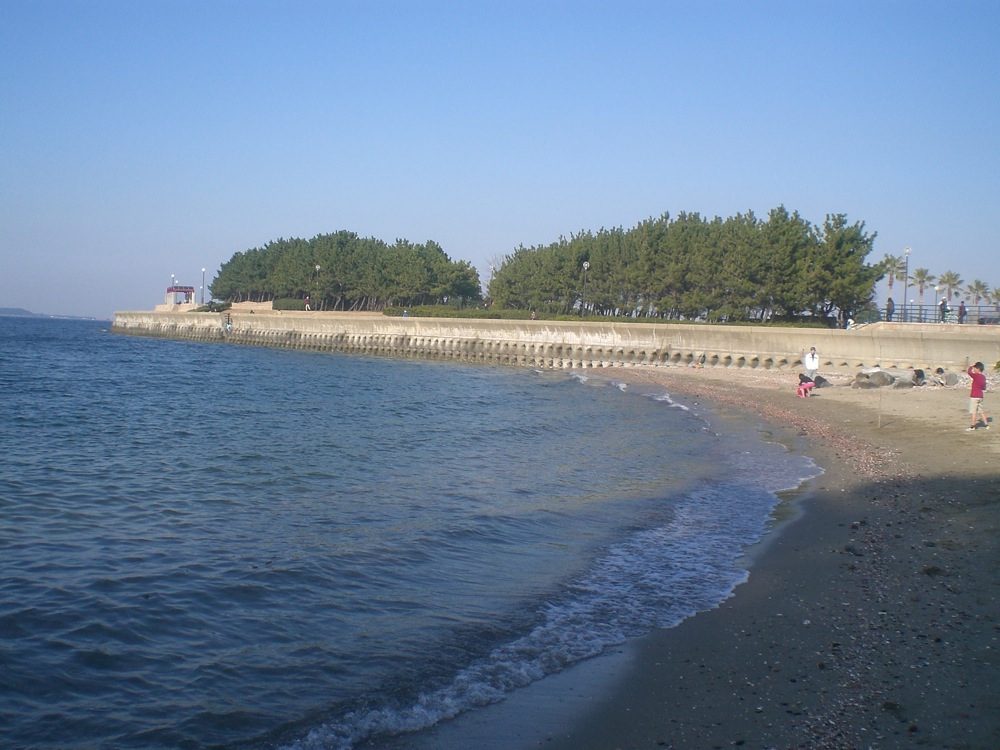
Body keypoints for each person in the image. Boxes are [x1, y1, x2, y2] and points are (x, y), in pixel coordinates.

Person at [966, 361, 990, 431]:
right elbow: (984, 387)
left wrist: (971, 366)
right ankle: (986, 425)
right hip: (980, 396)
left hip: (974, 396)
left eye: (975, 368)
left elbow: (969, 372)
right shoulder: (983, 377)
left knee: (973, 411)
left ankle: (972, 426)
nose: (974, 369)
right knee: (981, 411)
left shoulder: (976, 376)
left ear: (978, 369)